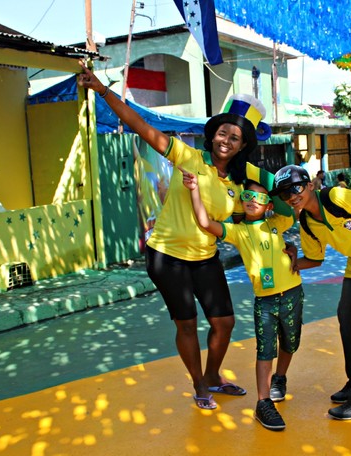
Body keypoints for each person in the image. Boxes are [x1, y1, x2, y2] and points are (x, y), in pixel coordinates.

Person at [78, 62, 273, 410]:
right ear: (213, 135)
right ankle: (199, 383)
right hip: (167, 256)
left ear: (243, 146)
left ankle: (213, 375)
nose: (226, 141)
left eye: (235, 138)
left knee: (224, 322)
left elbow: (273, 200)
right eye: (222, 133)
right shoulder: (189, 157)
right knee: (187, 325)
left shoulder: (241, 181)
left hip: (205, 257)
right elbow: (141, 126)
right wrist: (102, 90)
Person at [269, 165, 351, 421]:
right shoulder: (307, 221)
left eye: (296, 187)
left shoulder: (336, 198)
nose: (292, 196)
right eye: (285, 194)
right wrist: (293, 260)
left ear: (309, 185)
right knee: (346, 318)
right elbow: (315, 259)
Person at [180, 169, 302, 430]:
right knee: (265, 349)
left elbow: (289, 210)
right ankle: (263, 402)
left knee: (290, 343)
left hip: (293, 291)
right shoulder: (237, 231)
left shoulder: (275, 222)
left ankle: (280, 378)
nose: (252, 201)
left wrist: (264, 182)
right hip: (265, 301)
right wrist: (194, 191)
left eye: (259, 198)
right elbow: (204, 222)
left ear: (268, 204)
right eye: (247, 196)